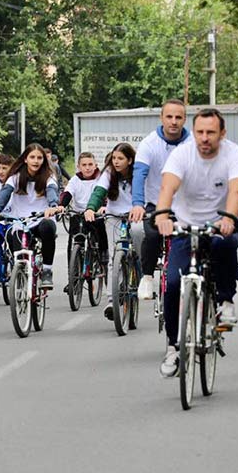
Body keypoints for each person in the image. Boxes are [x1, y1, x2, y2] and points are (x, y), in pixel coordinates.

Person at [153, 108, 238, 377]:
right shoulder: (182, 153)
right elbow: (167, 187)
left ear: (222, 133)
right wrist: (162, 214)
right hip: (186, 227)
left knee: (223, 244)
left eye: (211, 132)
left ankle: (226, 302)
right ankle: (173, 347)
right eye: (200, 132)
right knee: (172, 284)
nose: (204, 138)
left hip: (222, 224)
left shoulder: (234, 154)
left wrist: (229, 217)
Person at [130, 99, 193, 302]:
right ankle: (147, 276)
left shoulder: (193, 142)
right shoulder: (149, 143)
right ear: (161, 118)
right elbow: (139, 173)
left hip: (185, 206)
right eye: (169, 117)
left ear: (184, 119)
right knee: (152, 234)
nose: (173, 122)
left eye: (178, 117)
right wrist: (138, 203)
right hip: (155, 204)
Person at [0, 143, 62, 289]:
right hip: (20, 221)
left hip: (41, 219)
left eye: (39, 158)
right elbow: (4, 194)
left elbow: (52, 192)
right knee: (17, 251)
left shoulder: (49, 177)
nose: (36, 161)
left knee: (48, 227)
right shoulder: (15, 178)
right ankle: (20, 278)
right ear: (25, 159)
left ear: (44, 160)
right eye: (32, 157)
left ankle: (47, 270)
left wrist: (53, 207)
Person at [84, 143, 142, 321]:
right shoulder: (108, 173)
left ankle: (139, 266)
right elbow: (98, 192)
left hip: (136, 216)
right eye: (114, 158)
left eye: (120, 159)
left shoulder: (139, 173)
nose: (116, 162)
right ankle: (112, 300)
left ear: (130, 160)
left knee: (139, 233)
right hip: (114, 217)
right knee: (113, 256)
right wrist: (90, 208)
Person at [59, 152, 107, 282]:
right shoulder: (75, 180)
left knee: (101, 230)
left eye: (90, 164)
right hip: (78, 213)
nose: (87, 168)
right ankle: (73, 276)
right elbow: (67, 193)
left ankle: (103, 255)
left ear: (96, 165)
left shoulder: (101, 178)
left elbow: (104, 194)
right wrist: (62, 205)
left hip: (96, 214)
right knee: (73, 241)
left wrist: (104, 206)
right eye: (84, 165)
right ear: (79, 167)